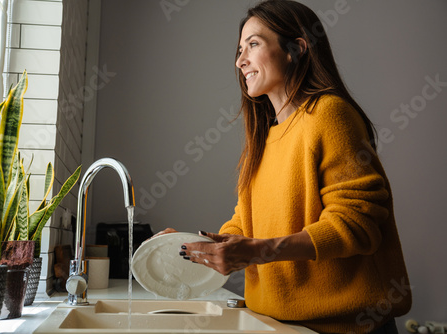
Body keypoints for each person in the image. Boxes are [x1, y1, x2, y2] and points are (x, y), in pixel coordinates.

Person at [164, 1, 412, 333]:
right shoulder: (263, 139)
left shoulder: (329, 114)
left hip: (347, 327)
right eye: (239, 50)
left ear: (296, 48)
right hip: (280, 324)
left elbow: (358, 224)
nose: (240, 61)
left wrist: (258, 251)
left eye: (253, 44)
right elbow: (245, 224)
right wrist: (192, 246)